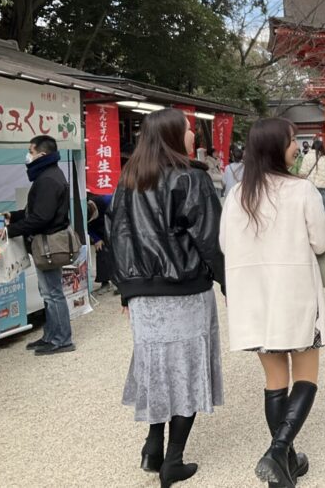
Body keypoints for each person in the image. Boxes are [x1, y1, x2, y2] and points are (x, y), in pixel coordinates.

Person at [108, 108, 225, 487]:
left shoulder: (128, 180)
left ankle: (152, 447)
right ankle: (173, 459)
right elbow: (211, 239)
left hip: (142, 296)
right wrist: (230, 283)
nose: (194, 136)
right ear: (175, 136)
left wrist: (127, 292)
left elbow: (119, 238)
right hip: (184, 290)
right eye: (189, 130)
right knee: (186, 371)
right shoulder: (191, 179)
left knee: (157, 367)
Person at [220, 118, 325, 488]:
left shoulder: (236, 195)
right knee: (306, 376)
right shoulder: (301, 191)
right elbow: (321, 241)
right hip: (295, 293)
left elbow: (224, 245)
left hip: (253, 298)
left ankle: (284, 464)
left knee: (274, 379)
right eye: (292, 141)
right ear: (277, 147)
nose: (296, 147)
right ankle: (277, 450)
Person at [0, 135, 75, 355]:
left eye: (30, 150)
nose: (27, 156)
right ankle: (51, 336)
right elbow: (36, 212)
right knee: (49, 292)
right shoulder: (49, 175)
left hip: (47, 243)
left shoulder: (47, 179)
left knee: (53, 293)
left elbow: (41, 218)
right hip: (44, 242)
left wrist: (9, 230)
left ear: (42, 154)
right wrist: (15, 216)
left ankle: (62, 339)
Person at [298, 139, 325, 211]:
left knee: (311, 206)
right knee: (322, 206)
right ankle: (322, 221)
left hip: (310, 184)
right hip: (322, 185)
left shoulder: (307, 156)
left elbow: (302, 172)